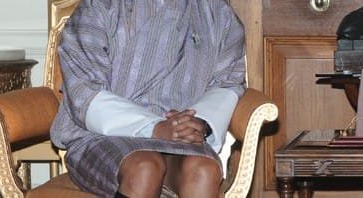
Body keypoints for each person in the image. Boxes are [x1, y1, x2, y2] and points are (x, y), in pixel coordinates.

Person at [50, 0, 245, 197]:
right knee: (146, 168)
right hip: (101, 136)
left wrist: (201, 123)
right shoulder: (100, 7)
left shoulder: (218, 13)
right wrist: (154, 127)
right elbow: (83, 90)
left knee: (203, 171)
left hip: (182, 139)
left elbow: (227, 82)